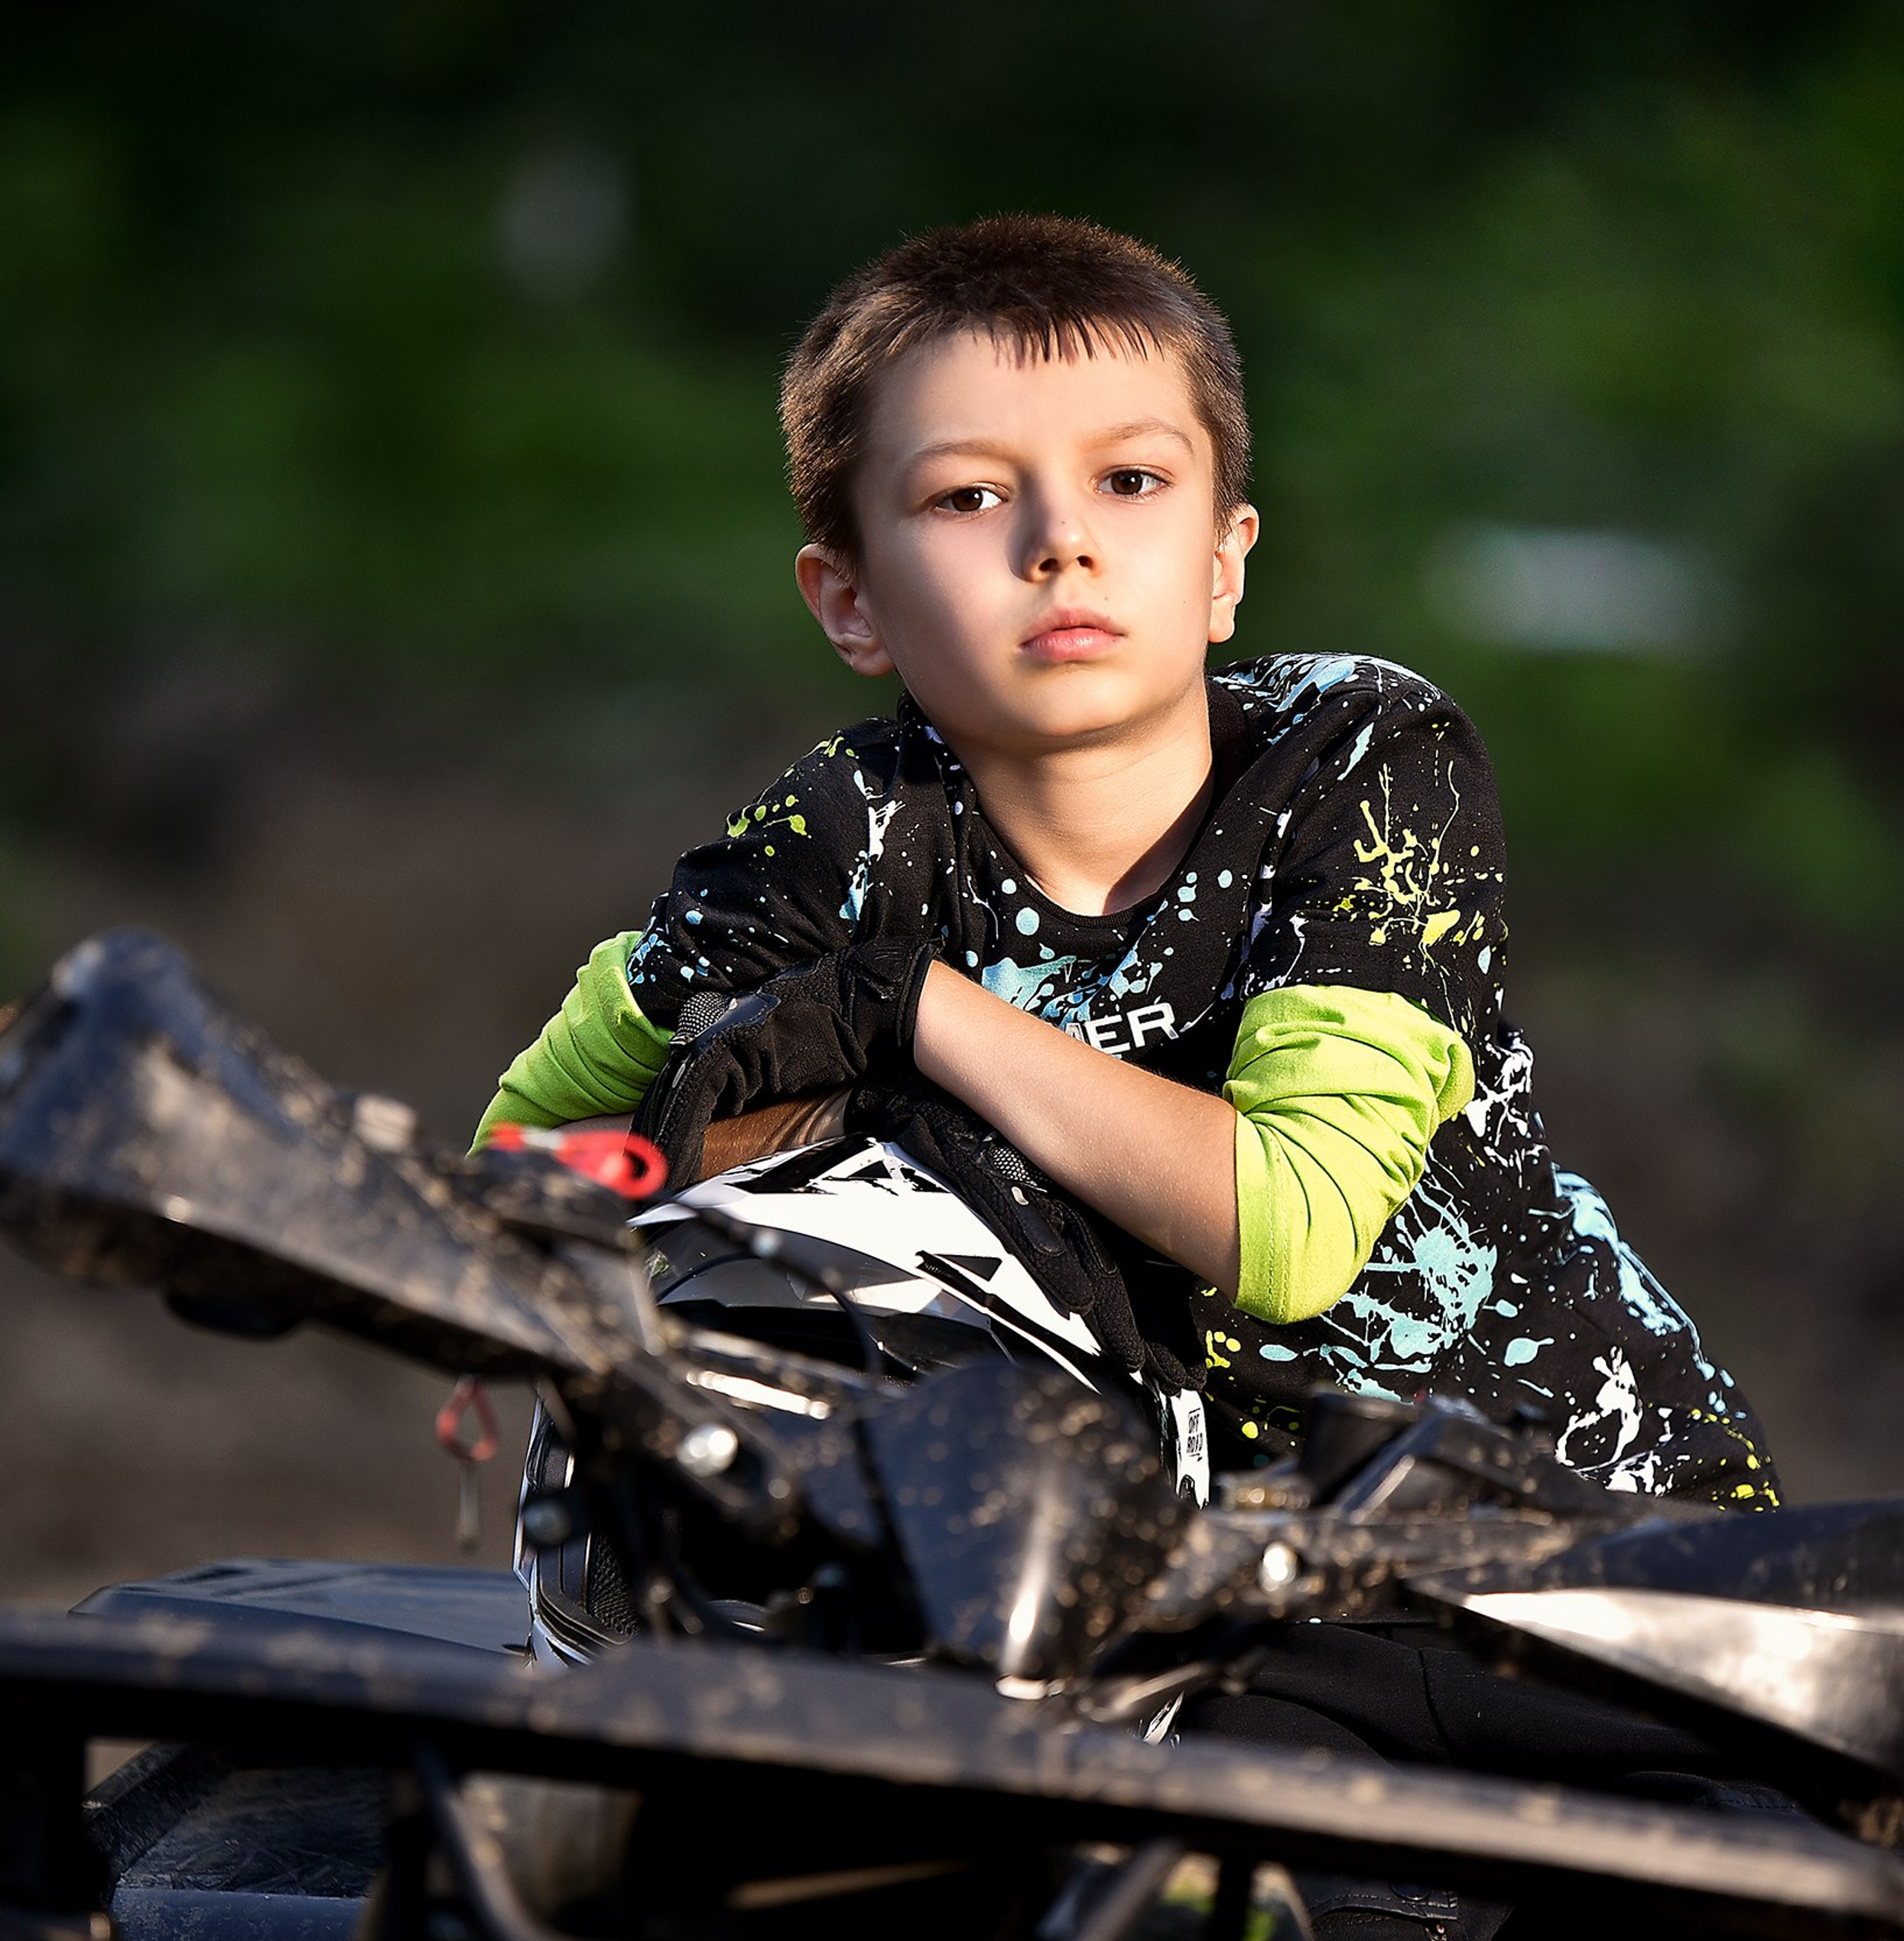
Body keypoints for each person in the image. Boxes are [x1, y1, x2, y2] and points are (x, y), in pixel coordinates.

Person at [477, 214, 1774, 1509]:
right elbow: (512, 1174)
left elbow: (1288, 1227)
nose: (1061, 540)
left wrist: (915, 1011)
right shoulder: (839, 838)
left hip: (1581, 1530)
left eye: (1131, 481)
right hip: (1151, 1570)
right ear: (851, 600)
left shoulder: (1358, 757)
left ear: (1222, 564)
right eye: (969, 496)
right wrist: (858, 1125)